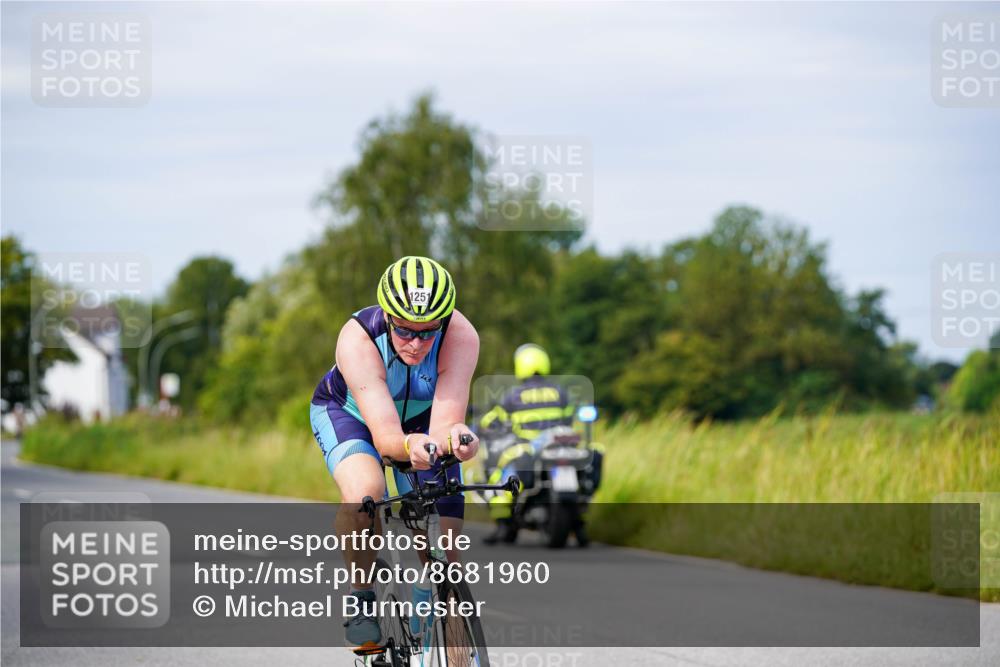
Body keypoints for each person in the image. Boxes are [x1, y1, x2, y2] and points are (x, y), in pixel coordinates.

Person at [309, 255, 481, 646]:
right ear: (387, 316)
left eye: (428, 332)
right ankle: (361, 597)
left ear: (443, 322)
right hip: (351, 414)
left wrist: (458, 439)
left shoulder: (461, 335)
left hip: (420, 419)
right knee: (365, 494)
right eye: (404, 330)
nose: (416, 344)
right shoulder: (358, 338)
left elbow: (446, 424)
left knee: (444, 538)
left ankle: (431, 602)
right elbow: (386, 437)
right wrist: (409, 446)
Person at [478, 343, 574, 544]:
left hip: (530, 448)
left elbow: (490, 422)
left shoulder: (514, 396)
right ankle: (579, 524)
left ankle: (503, 525)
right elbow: (569, 418)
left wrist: (482, 428)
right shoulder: (560, 392)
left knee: (501, 477)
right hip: (560, 444)